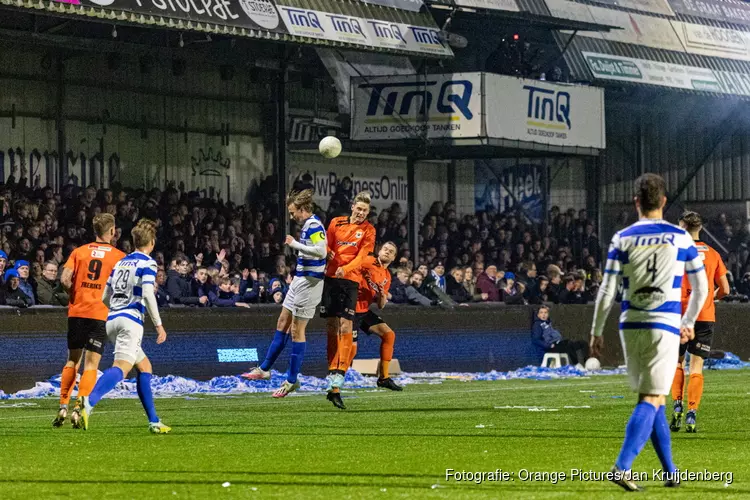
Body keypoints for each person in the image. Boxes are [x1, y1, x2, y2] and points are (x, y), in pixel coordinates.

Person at [589, 173, 708, 491]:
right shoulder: (681, 238)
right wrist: (688, 321)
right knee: (654, 397)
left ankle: (671, 472)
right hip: (664, 324)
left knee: (653, 396)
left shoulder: (622, 238)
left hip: (631, 324)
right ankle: (622, 466)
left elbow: (606, 290)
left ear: (636, 202)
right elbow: (702, 287)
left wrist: (596, 332)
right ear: (664, 202)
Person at [79, 219, 170, 434]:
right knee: (121, 368)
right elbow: (148, 293)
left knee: (144, 367)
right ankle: (88, 402)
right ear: (152, 242)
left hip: (112, 319)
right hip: (131, 321)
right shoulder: (148, 263)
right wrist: (159, 325)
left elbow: (104, 297)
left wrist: (116, 309)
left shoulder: (121, 262)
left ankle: (154, 421)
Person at [241, 190, 327, 398]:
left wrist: (295, 244)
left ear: (303, 209)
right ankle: (264, 370)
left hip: (310, 283)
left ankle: (291, 380)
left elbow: (322, 250)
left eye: (293, 212)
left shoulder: (314, 225)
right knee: (282, 323)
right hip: (300, 279)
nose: (292, 217)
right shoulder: (308, 225)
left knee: (297, 331)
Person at [54, 214, 126, 428]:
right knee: (91, 364)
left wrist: (75, 295)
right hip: (99, 313)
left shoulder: (79, 252)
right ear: (112, 231)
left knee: (72, 361)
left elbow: (65, 279)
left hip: (77, 312)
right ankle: (80, 408)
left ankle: (62, 406)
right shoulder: (119, 256)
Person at [670, 211, 729, 433]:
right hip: (704, 315)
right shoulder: (713, 254)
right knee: (697, 366)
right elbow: (725, 289)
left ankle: (677, 406)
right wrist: (709, 297)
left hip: (679, 314)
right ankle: (692, 415)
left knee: (677, 363)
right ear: (699, 229)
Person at [320, 191, 375, 409]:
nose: (361, 213)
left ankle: (339, 375)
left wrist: (346, 268)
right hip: (331, 279)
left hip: (351, 281)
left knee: (346, 326)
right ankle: (332, 372)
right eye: (359, 208)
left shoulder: (369, 230)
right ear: (353, 206)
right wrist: (329, 252)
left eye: (365, 211)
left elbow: (363, 257)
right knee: (331, 327)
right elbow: (326, 243)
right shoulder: (336, 222)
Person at [348, 242, 403, 391]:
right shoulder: (367, 261)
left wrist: (382, 295)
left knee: (389, 335)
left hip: (364, 310)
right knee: (351, 350)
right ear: (379, 251)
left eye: (390, 251)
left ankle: (384, 378)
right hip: (351, 309)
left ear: (393, 257)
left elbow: (381, 305)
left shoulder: (386, 276)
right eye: (385, 249)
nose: (386, 252)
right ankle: (336, 379)